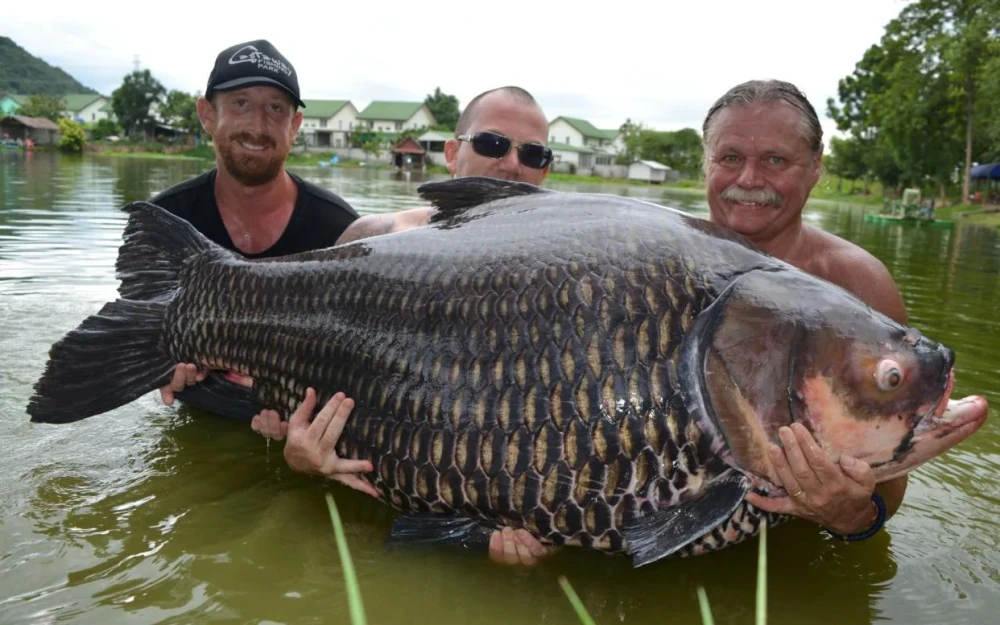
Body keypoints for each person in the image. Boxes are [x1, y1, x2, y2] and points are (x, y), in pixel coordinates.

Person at [167, 85, 558, 566]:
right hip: (350, 507)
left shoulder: (566, 278)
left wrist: (546, 518)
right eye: (493, 144)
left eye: (534, 153)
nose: (512, 164)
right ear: (453, 153)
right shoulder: (375, 237)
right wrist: (291, 443)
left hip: (458, 507)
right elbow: (296, 381)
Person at [699, 79, 909, 540]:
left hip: (788, 545)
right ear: (706, 162)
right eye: (730, 158)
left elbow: (892, 476)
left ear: (815, 167)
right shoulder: (656, 265)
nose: (749, 180)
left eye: (775, 160)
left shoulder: (858, 283)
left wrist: (854, 516)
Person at [154, 39, 360, 418]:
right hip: (198, 413)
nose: (257, 126)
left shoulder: (341, 229)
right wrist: (158, 366)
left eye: (276, 109)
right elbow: (141, 325)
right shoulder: (167, 218)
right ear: (207, 114)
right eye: (241, 103)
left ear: (295, 124)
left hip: (298, 423)